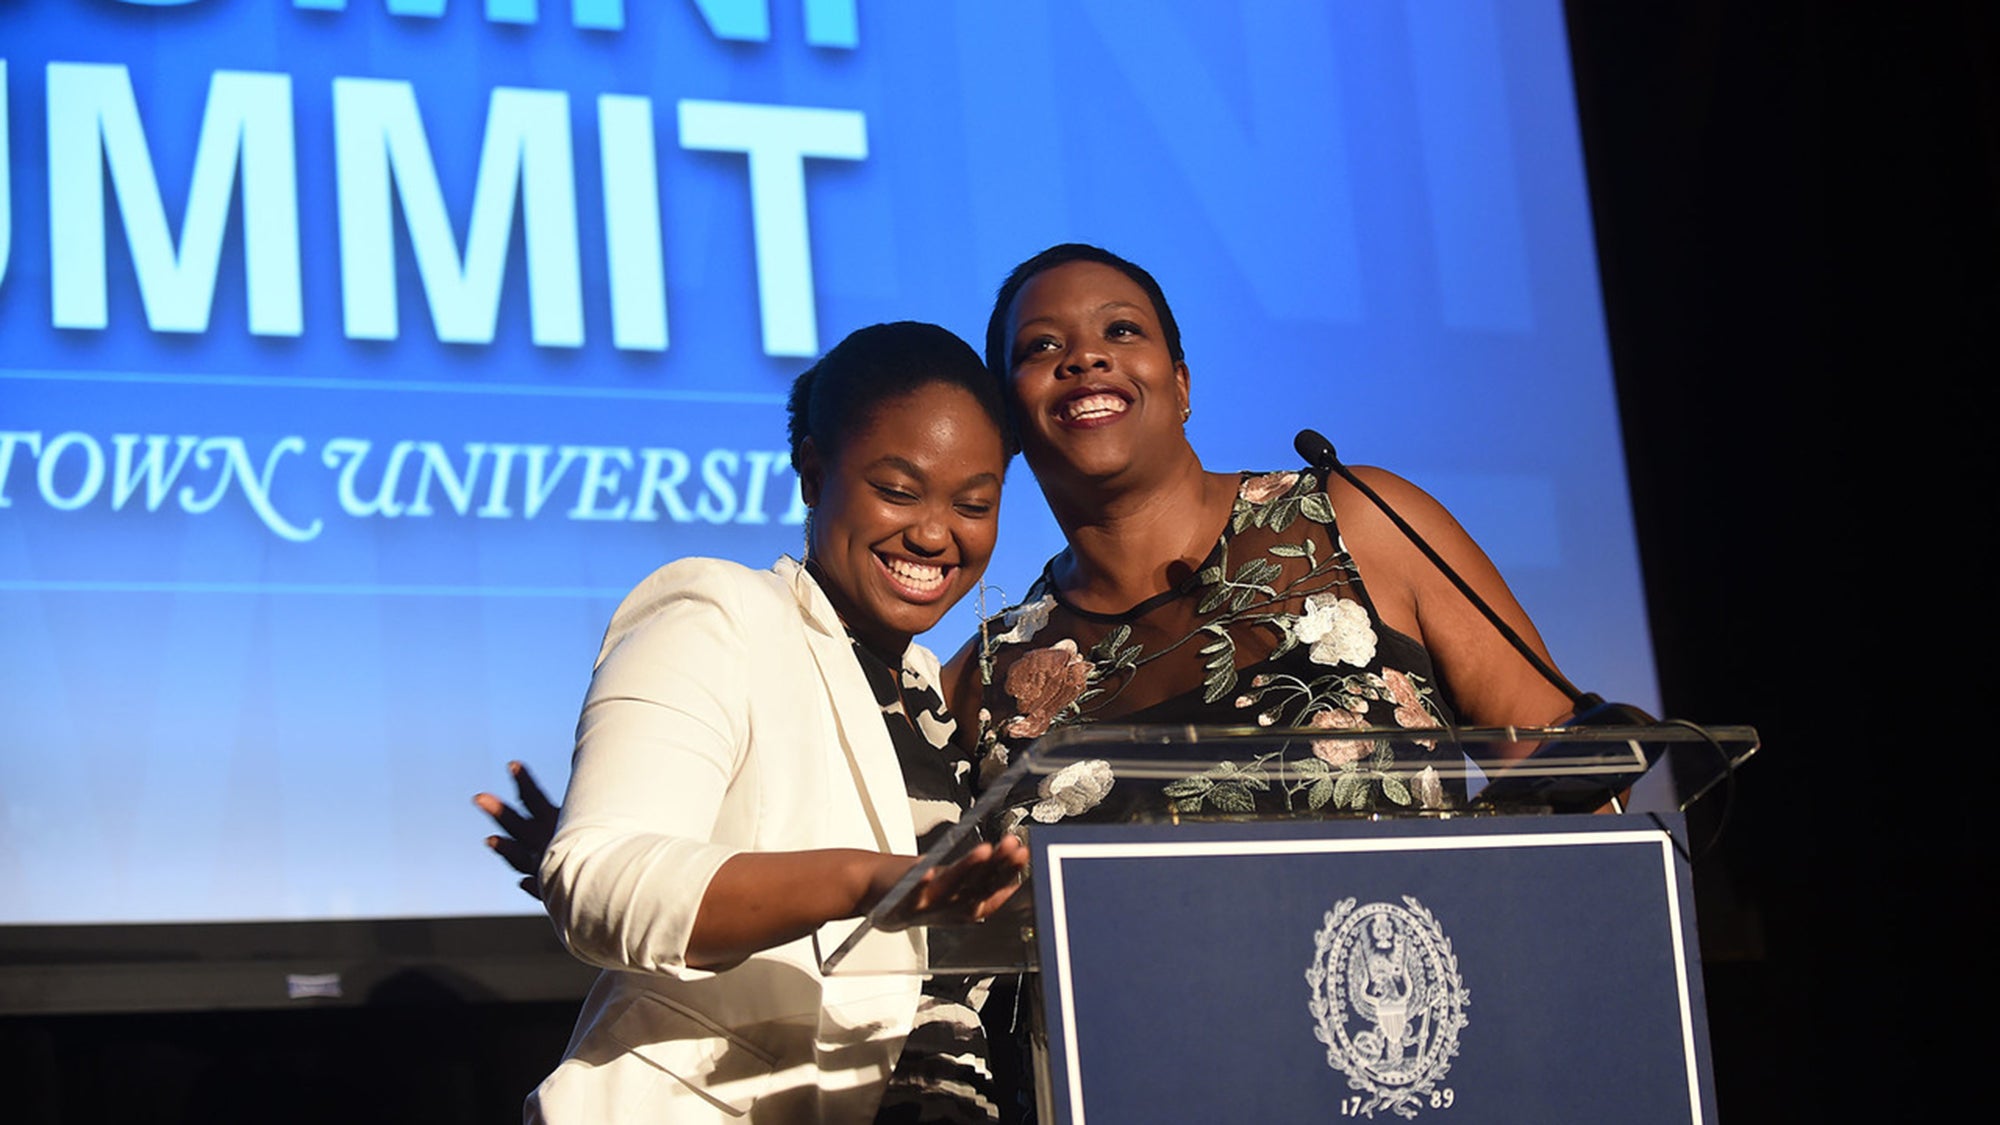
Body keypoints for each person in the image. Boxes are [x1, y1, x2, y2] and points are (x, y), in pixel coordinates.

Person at [521, 321, 1028, 1125]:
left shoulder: (934, 698)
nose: (936, 533)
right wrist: (869, 879)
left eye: (974, 503)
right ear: (814, 471)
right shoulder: (717, 614)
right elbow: (596, 876)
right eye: (897, 490)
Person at [946, 243, 1579, 819]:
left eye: (1121, 330)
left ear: (1182, 385)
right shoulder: (987, 678)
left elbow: (1572, 769)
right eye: (1042, 347)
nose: (1085, 357)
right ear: (1010, 421)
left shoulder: (1361, 520)